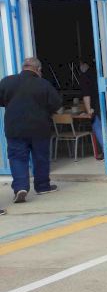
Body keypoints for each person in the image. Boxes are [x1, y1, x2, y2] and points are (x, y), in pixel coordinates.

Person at [0, 57, 62, 205]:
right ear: (38, 69)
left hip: (15, 128)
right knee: (40, 157)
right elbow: (56, 104)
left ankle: (20, 187)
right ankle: (42, 186)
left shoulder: (7, 81)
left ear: (24, 67)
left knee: (17, 157)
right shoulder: (44, 84)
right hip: (39, 128)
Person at [77, 57, 104, 161]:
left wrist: (89, 111)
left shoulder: (85, 76)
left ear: (85, 64)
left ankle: (106, 151)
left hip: (96, 107)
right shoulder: (100, 73)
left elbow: (86, 95)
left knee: (98, 127)